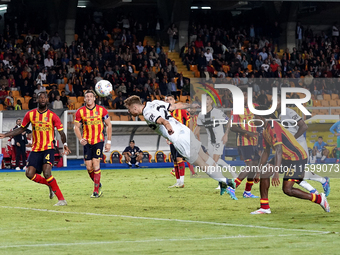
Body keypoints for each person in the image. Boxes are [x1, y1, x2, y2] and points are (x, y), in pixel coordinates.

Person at [124, 95, 236, 192]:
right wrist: (190, 105)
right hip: (184, 130)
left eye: (129, 110)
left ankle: (226, 181)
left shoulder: (147, 113)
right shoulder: (154, 103)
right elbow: (175, 106)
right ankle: (222, 180)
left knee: (200, 164)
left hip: (177, 137)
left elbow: (163, 121)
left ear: (135, 107)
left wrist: (168, 128)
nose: (129, 112)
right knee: (204, 156)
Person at [251, 105, 330, 214]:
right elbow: (266, 151)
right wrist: (258, 171)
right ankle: (265, 207)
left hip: (296, 157)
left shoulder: (273, 126)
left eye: (254, 117)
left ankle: (319, 199)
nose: (252, 120)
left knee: (287, 189)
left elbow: (278, 149)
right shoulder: (265, 131)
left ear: (260, 118)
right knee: (265, 173)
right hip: (285, 157)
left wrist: (276, 172)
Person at [0, 92, 71, 206]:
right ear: (37, 100)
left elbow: (61, 132)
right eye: (40, 97)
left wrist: (65, 143)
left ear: (47, 100)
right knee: (29, 174)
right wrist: (6, 135)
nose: (43, 99)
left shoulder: (53, 116)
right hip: (36, 149)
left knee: (47, 173)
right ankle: (49, 184)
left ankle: (62, 199)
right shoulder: (30, 114)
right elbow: (21, 129)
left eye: (44, 97)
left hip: (48, 148)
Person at [274, 96, 330, 196]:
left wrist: (293, 139)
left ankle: (318, 187)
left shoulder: (288, 111)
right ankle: (317, 187)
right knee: (294, 172)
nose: (274, 104)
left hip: (298, 145)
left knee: (297, 173)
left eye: (277, 101)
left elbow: (304, 126)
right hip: (290, 147)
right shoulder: (278, 115)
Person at [74, 90, 112, 198]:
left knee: (96, 164)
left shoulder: (102, 110)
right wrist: (80, 139)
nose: (89, 98)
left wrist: (108, 142)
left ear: (94, 98)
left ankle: (96, 191)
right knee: (88, 167)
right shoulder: (80, 112)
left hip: (98, 141)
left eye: (91, 96)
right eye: (87, 96)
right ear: (85, 99)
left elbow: (109, 125)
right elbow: (76, 127)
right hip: (87, 142)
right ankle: (98, 184)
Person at [194, 95, 236, 188]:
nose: (206, 101)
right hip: (210, 140)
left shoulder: (217, 112)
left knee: (215, 161)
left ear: (211, 102)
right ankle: (232, 172)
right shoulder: (201, 115)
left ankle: (221, 183)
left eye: (208, 99)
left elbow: (229, 121)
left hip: (219, 139)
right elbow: (198, 127)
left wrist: (226, 134)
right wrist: (192, 137)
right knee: (213, 161)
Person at [228, 88, 260, 199]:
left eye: (246, 95)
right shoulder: (236, 109)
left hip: (255, 141)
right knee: (250, 166)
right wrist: (247, 132)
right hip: (244, 142)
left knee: (254, 167)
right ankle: (232, 186)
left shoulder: (255, 106)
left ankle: (247, 192)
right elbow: (233, 126)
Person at [165, 95, 195, 188]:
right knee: (174, 159)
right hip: (172, 139)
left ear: (174, 100)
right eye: (166, 100)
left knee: (179, 158)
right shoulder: (166, 113)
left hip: (181, 138)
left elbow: (190, 121)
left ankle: (181, 182)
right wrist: (167, 137)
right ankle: (178, 182)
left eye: (170, 99)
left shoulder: (181, 110)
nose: (168, 101)